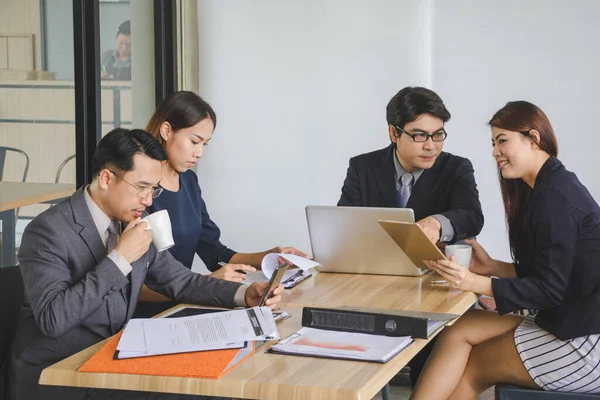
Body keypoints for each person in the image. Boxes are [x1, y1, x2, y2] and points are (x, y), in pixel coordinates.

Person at [6, 128, 282, 400]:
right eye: (140, 187)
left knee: (227, 381)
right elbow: (54, 320)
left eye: (154, 189)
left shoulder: (136, 219)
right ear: (106, 178)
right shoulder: (48, 231)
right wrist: (120, 259)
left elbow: (179, 280)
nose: (148, 200)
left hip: (111, 360)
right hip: (58, 374)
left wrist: (243, 294)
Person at [411, 101, 600, 399]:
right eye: (493, 143)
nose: (495, 152)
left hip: (585, 342)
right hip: (567, 321)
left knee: (476, 367)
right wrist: (493, 268)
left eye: (502, 141)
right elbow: (556, 273)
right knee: (458, 328)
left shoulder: (554, 196)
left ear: (533, 138)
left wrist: (473, 282)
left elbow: (549, 290)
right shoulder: (550, 187)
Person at [133, 91, 307, 316]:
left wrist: (271, 256)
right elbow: (131, 289)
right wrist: (205, 282)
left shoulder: (188, 181)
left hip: (184, 305)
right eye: (194, 141)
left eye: (205, 144)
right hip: (146, 315)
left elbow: (214, 252)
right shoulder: (140, 191)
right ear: (166, 131)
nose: (200, 153)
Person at [338, 86, 484, 244]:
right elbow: (344, 224)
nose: (431, 146)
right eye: (420, 135)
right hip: (373, 265)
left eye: (438, 135)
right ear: (394, 133)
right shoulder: (362, 167)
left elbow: (472, 215)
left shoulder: (456, 167)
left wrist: (436, 223)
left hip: (433, 266)